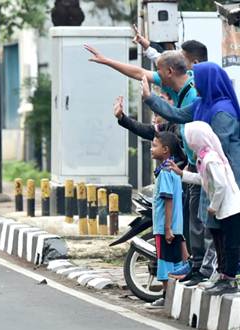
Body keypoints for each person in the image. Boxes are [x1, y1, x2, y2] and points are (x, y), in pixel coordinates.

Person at [88, 47, 213, 284]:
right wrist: (106, 60)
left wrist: (150, 99)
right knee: (191, 224)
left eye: (158, 73)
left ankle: (204, 269)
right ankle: (194, 267)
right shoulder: (175, 89)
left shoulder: (194, 94)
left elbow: (175, 115)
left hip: (200, 164)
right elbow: (139, 73)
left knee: (202, 223)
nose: (154, 78)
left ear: (168, 72)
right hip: (188, 169)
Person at [166, 122, 240, 295]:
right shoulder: (204, 157)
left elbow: (220, 185)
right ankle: (223, 277)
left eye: (189, 139)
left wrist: (213, 206)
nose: (187, 143)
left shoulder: (210, 159)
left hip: (231, 209)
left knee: (230, 246)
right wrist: (182, 174)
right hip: (226, 209)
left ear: (197, 139)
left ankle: (229, 280)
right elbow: (203, 179)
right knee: (222, 244)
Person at [148, 131, 186, 308]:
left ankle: (166, 296)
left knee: (164, 262)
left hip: (165, 226)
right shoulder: (174, 170)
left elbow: (168, 199)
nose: (151, 148)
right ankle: (173, 296)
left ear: (165, 150)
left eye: (154, 145)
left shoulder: (164, 172)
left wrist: (167, 228)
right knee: (176, 261)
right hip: (176, 226)